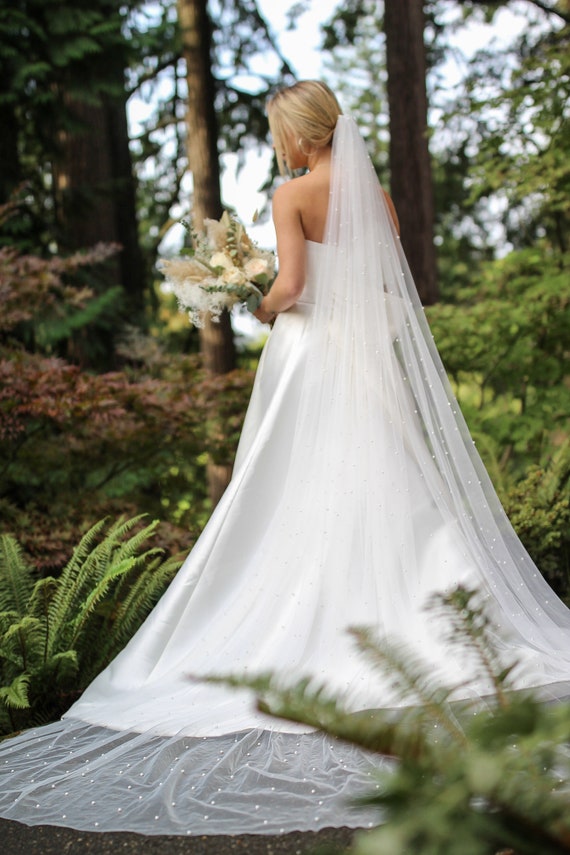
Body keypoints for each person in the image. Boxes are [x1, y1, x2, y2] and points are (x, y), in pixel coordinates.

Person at [1, 80, 570, 837]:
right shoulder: (376, 196)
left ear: (301, 135)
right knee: (393, 480)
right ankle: (434, 618)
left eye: (281, 134)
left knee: (290, 485)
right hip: (367, 359)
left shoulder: (292, 193)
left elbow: (296, 288)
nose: (281, 147)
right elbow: (380, 280)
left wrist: (256, 297)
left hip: (311, 358)